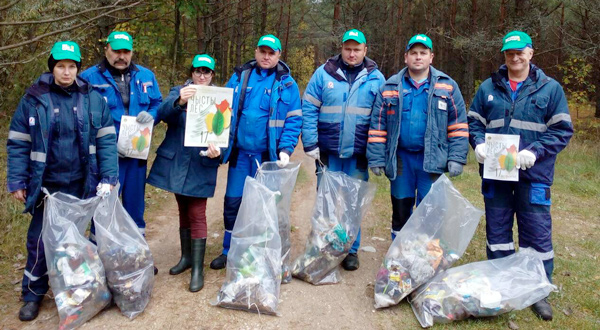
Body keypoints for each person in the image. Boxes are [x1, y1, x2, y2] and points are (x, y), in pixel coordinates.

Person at [6, 41, 118, 321]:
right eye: (61, 66)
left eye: (71, 66)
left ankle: (71, 290)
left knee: (75, 242)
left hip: (83, 183)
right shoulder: (35, 98)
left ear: (78, 69)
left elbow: (106, 140)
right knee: (40, 240)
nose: (66, 72)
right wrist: (18, 179)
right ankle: (32, 294)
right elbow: (19, 141)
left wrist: (109, 177)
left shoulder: (92, 98)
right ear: (52, 68)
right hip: (47, 185)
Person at [468, 31, 573, 321]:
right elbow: (474, 121)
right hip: (496, 175)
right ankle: (500, 287)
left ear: (531, 53)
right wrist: (476, 143)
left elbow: (562, 130)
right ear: (504, 55)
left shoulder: (550, 89)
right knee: (498, 233)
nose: (514, 57)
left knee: (536, 234)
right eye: (509, 53)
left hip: (533, 174)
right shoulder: (489, 87)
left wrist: (536, 151)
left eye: (520, 52)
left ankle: (537, 291)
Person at [209, 34, 302, 270]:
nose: (266, 56)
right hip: (240, 155)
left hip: (267, 158)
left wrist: (285, 150)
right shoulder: (240, 77)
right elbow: (222, 109)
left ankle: (260, 253)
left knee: (264, 206)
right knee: (233, 202)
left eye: (272, 53)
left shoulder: (287, 84)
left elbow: (293, 120)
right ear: (256, 51)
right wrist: (213, 141)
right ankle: (229, 250)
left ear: (279, 55)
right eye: (263, 51)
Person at [367, 34, 468, 241]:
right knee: (401, 210)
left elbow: (458, 126)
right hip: (402, 161)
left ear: (432, 57)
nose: (418, 57)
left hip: (431, 161)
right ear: (406, 57)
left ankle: (426, 260)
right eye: (414, 53)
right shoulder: (390, 87)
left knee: (430, 212)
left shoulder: (447, 87)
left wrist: (457, 157)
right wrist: (377, 158)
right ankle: (399, 258)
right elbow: (378, 126)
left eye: (423, 53)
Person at [302, 29, 385, 271]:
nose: (351, 53)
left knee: (353, 204)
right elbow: (308, 108)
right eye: (348, 48)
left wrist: (377, 152)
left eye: (356, 49)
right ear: (342, 48)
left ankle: (351, 249)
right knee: (326, 202)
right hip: (328, 155)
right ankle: (324, 246)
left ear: (365, 50)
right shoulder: (323, 73)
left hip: (358, 156)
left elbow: (381, 119)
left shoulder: (376, 78)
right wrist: (310, 143)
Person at [146, 54, 220, 292]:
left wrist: (219, 151)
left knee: (198, 212)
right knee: (183, 209)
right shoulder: (179, 91)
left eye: (206, 72)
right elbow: (162, 113)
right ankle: (186, 258)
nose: (201, 76)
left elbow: (226, 129)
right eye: (197, 71)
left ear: (212, 76)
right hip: (178, 162)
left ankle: (198, 268)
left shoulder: (219, 97)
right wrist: (179, 101)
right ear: (191, 72)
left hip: (201, 163)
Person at [80, 31, 162, 240]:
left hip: (136, 153)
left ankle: (137, 258)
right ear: (106, 49)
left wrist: (151, 115)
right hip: (106, 157)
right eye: (116, 51)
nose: (121, 56)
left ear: (132, 52)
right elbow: (79, 115)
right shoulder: (89, 78)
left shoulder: (146, 76)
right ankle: (102, 259)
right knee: (104, 208)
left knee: (135, 208)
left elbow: (157, 103)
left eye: (126, 52)